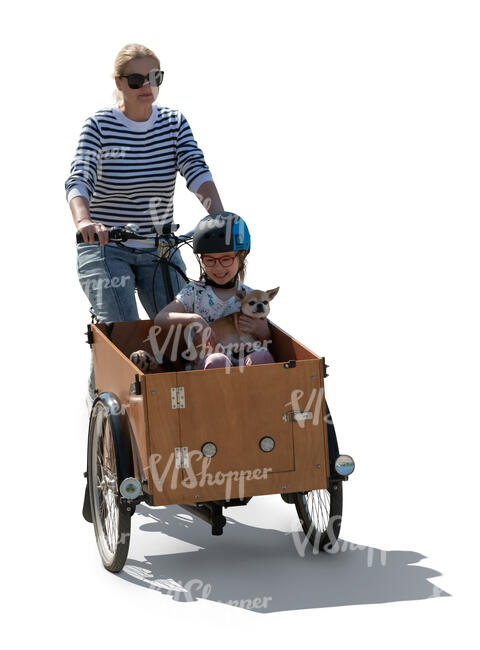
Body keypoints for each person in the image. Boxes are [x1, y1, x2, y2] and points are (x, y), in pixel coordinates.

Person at [65, 43, 224, 403]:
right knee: (124, 336)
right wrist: (85, 220)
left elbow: (196, 170)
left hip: (159, 248)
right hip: (106, 247)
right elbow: (79, 179)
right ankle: (106, 416)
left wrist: (218, 215)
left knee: (181, 334)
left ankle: (183, 411)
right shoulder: (100, 126)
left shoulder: (172, 122)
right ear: (119, 83)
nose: (146, 86)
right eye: (136, 79)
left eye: (155, 77)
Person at [154, 212, 275, 369]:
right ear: (201, 259)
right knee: (218, 360)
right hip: (207, 361)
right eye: (209, 260)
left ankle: (261, 392)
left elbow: (267, 338)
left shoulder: (251, 295)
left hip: (244, 359)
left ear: (241, 256)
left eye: (226, 259)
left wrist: (263, 331)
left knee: (262, 356)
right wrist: (194, 318)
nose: (218, 268)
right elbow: (161, 318)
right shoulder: (194, 292)